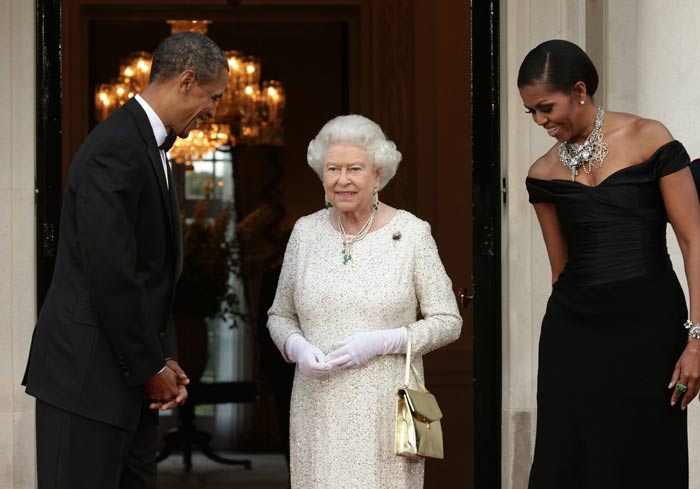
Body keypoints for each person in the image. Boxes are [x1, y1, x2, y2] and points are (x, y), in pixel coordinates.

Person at [23, 32, 229, 489]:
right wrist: (150, 368)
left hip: (122, 384)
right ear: (187, 81)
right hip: (86, 383)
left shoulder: (149, 145)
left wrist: (164, 357)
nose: (215, 111)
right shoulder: (117, 145)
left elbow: (152, 273)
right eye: (213, 97)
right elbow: (111, 273)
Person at [520, 39, 700, 488]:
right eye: (532, 113)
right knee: (571, 457)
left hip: (650, 325)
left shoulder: (648, 137)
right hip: (574, 332)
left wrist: (696, 339)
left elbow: (693, 240)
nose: (541, 121)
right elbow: (559, 272)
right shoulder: (542, 174)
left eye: (546, 107)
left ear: (579, 90)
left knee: (646, 454)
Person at [267, 114, 462, 489]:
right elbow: (280, 314)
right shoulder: (305, 233)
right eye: (332, 169)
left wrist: (382, 342)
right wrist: (296, 346)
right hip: (316, 406)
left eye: (355, 168)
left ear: (378, 174)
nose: (342, 179)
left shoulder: (412, 234)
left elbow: (448, 320)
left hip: (383, 408)